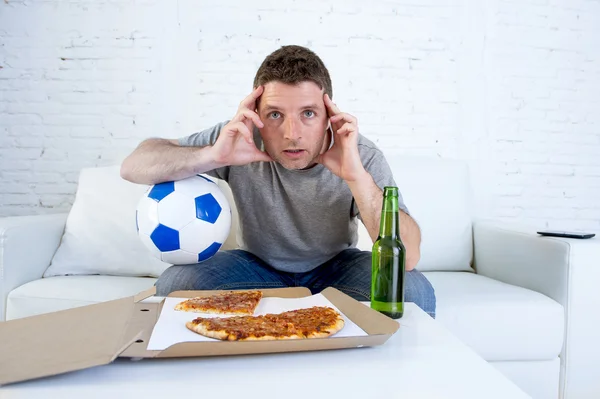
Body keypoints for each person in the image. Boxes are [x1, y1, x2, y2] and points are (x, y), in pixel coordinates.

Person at [121, 45, 436, 317]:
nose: (292, 133)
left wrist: (357, 177)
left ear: (330, 114)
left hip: (335, 267)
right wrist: (213, 156)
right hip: (256, 268)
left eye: (308, 113)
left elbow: (409, 255)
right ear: (256, 113)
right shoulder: (239, 138)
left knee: (414, 292)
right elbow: (133, 166)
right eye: (274, 114)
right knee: (174, 286)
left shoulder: (359, 154)